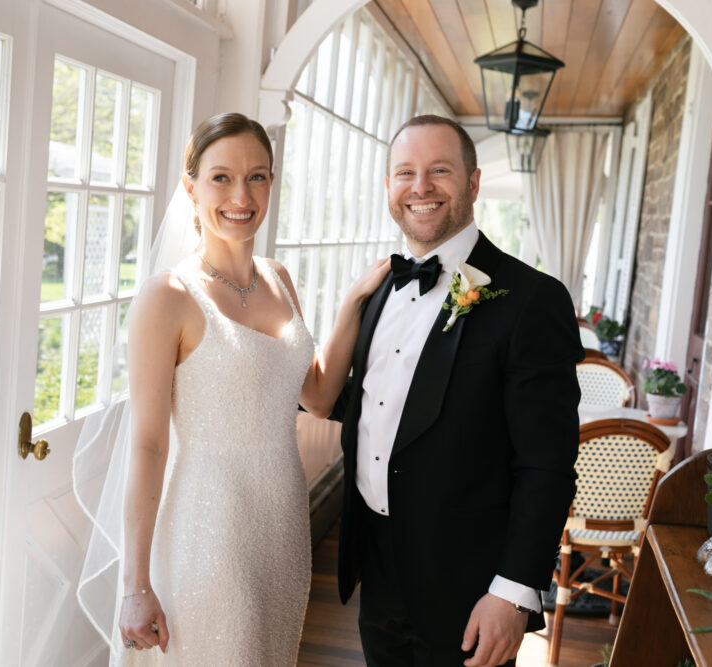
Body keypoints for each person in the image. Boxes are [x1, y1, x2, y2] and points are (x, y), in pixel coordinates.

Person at [74, 112, 391, 666]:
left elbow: (316, 396)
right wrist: (135, 584)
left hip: (282, 522)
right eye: (221, 177)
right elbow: (147, 445)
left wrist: (350, 305)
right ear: (190, 186)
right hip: (207, 525)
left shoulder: (278, 278)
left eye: (258, 176)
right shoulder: (167, 296)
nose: (241, 195)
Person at [326, 115, 583, 667]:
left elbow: (547, 464)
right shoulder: (375, 291)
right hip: (376, 563)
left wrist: (513, 592)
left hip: (470, 587)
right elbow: (375, 406)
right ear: (390, 187)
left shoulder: (531, 300)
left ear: (472, 183)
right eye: (405, 173)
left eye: (439, 170)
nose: (420, 187)